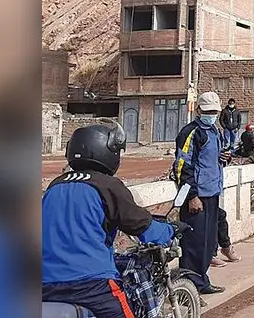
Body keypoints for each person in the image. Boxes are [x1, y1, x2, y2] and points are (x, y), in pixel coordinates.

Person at [42, 123, 179, 318]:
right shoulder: (107, 186)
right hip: (91, 286)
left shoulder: (54, 186)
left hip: (45, 284)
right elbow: (141, 225)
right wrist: (171, 230)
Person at [173, 91, 228, 296]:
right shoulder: (191, 132)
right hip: (197, 196)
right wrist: (192, 196)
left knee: (207, 243)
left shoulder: (214, 131)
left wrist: (223, 158)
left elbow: (209, 159)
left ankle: (201, 283)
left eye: (214, 112)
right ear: (198, 110)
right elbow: (182, 165)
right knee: (193, 244)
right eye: (208, 112)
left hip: (212, 192)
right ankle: (190, 286)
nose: (211, 115)